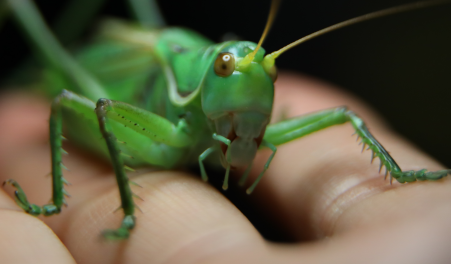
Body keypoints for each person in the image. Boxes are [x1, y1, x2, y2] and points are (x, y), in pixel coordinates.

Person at [1, 73, 450, 264]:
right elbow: (90, 107)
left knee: (342, 113)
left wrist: (404, 182)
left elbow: (344, 116)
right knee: (71, 100)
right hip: (111, 86)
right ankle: (61, 200)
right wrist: (129, 213)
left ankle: (404, 175)